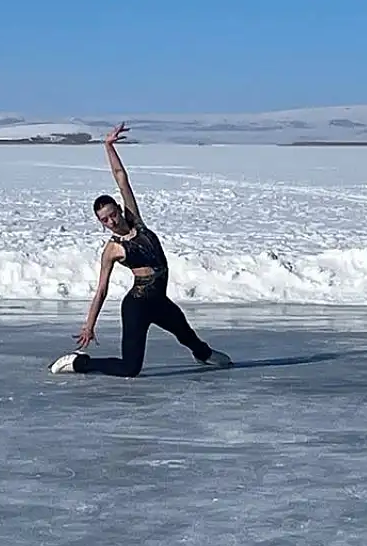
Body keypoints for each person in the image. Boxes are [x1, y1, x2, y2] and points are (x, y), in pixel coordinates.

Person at [49, 123, 231, 377]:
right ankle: (79, 363)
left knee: (186, 334)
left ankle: (204, 354)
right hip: (137, 306)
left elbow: (121, 178)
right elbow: (101, 289)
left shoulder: (136, 220)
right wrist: (89, 326)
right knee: (130, 368)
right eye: (105, 219)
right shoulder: (112, 249)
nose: (112, 221)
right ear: (101, 223)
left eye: (112, 214)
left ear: (119, 210)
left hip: (160, 302)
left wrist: (108, 146)